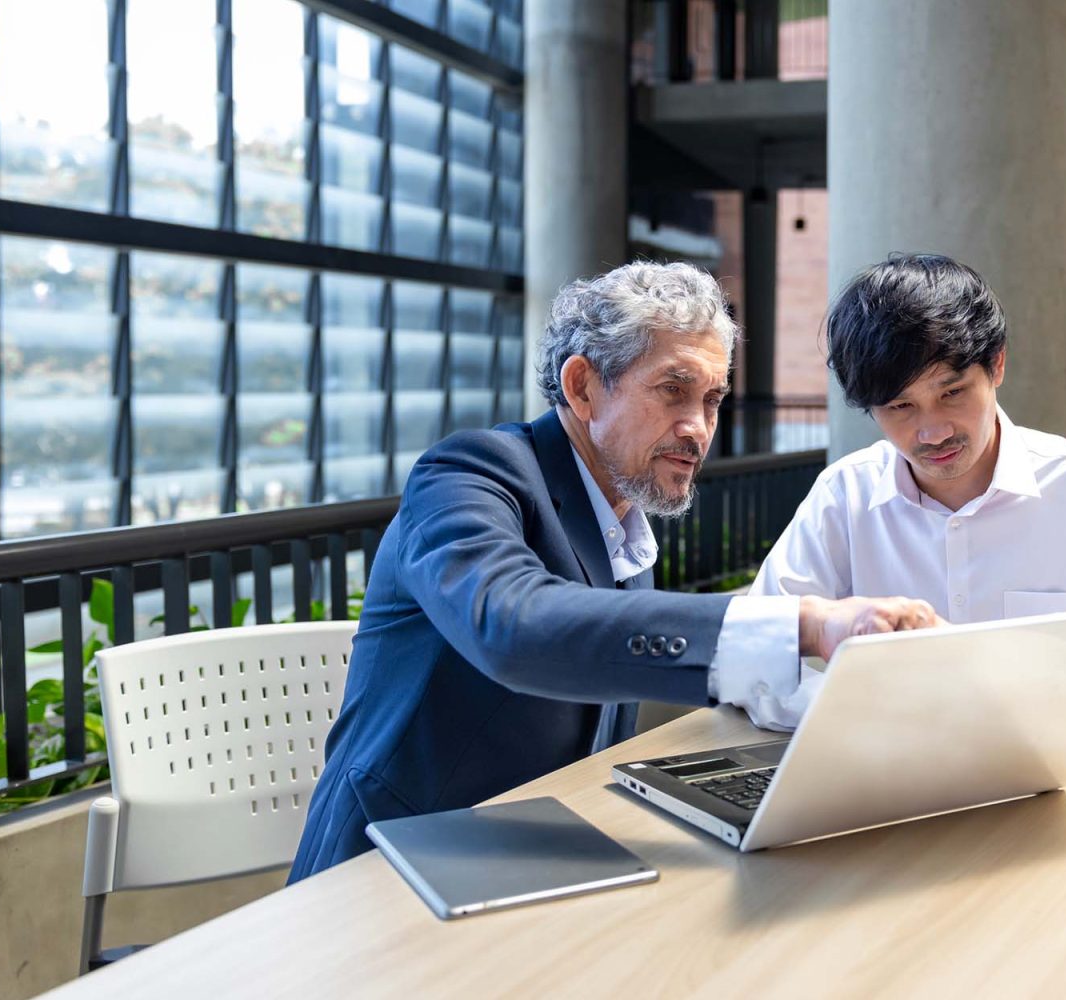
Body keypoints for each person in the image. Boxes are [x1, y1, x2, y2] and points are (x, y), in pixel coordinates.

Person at [289, 261, 937, 881]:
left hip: (529, 853)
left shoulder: (623, 532)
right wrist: (804, 625)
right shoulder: (469, 474)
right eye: (672, 391)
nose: (698, 429)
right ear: (582, 387)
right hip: (387, 864)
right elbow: (514, 626)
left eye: (711, 400)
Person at [749, 253, 1066, 1000]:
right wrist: (852, 702)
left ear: (996, 367)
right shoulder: (842, 498)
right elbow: (756, 656)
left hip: (1064, 840)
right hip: (892, 836)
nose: (931, 430)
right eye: (899, 407)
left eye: (952, 392)